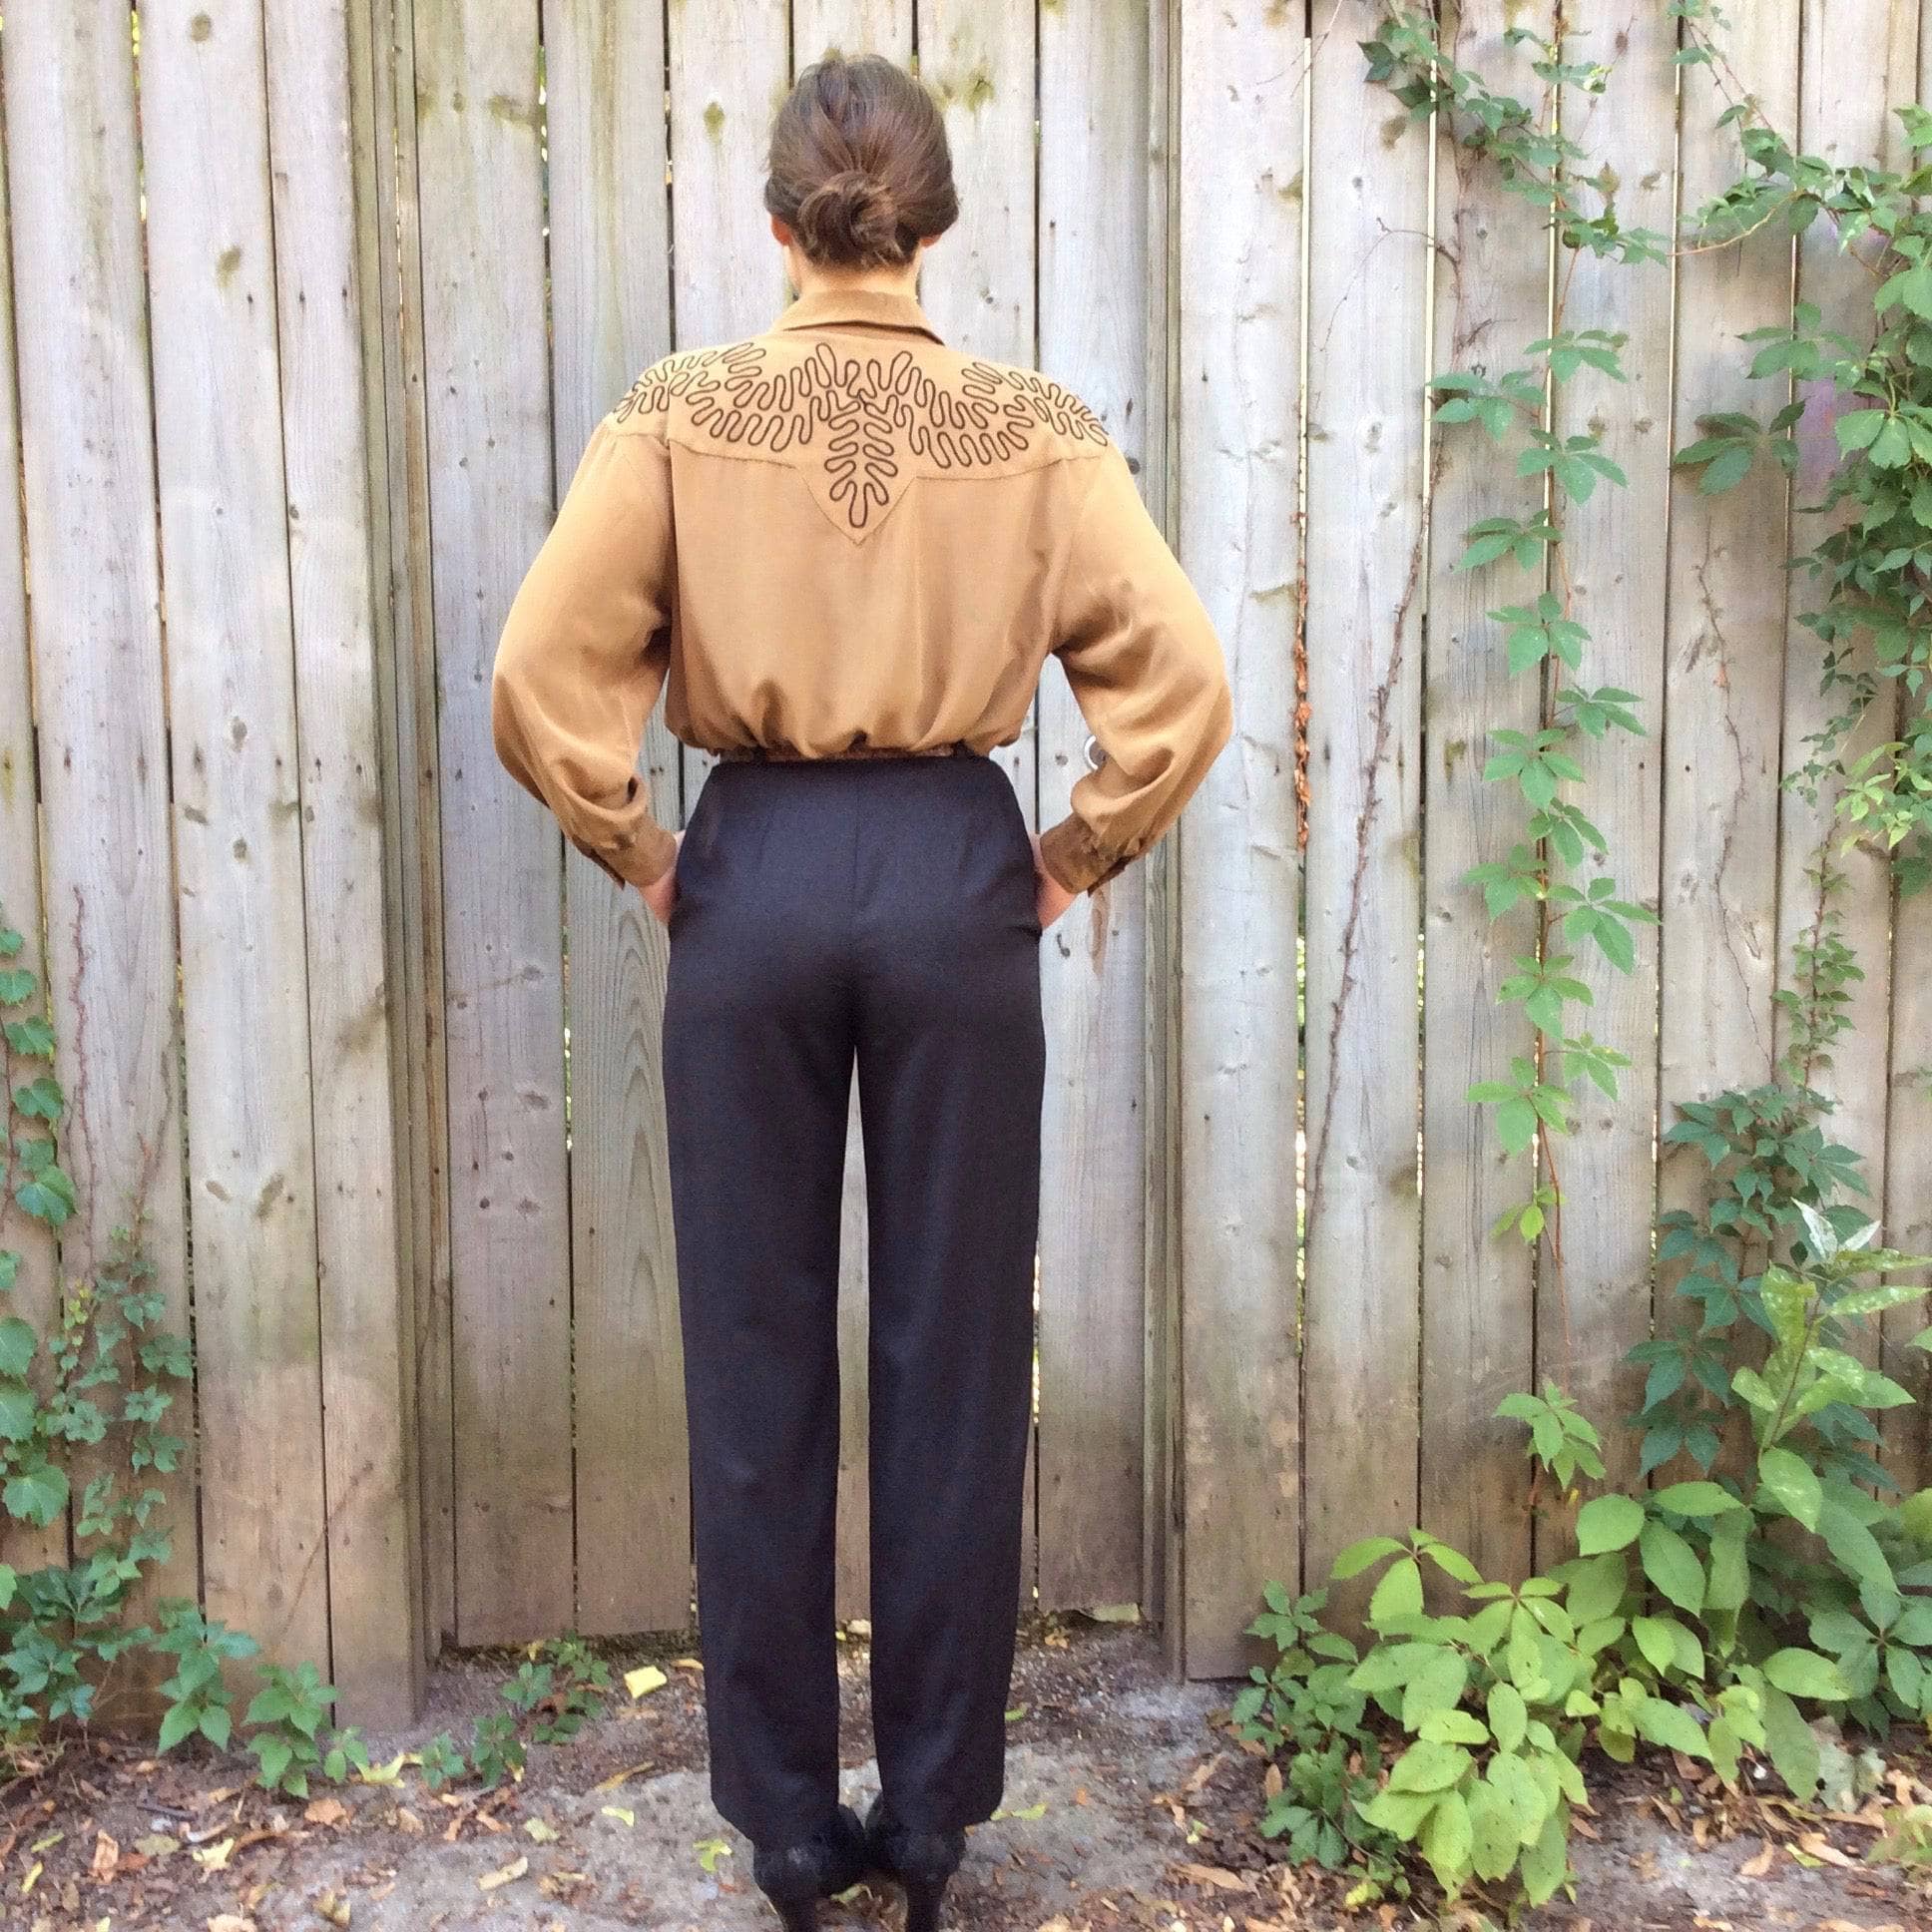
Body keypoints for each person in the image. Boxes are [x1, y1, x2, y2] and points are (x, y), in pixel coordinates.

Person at [490, 50, 1232, 1932]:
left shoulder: (675, 414)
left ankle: (780, 1829)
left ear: (777, 227)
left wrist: (651, 857)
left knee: (755, 1352)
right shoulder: (1038, 428)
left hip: (751, 875)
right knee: (952, 1349)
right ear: (937, 226)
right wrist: (1061, 858)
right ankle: (935, 1816)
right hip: (952, 877)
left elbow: (538, 679)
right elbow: (1185, 689)